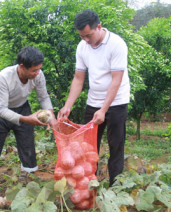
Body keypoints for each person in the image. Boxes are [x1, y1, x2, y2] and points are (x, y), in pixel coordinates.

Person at [58, 10, 130, 186]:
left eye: (88, 35)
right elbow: (78, 78)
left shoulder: (116, 44)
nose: (86, 40)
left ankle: (115, 186)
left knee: (116, 145)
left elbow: (116, 80)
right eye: (82, 36)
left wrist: (104, 110)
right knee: (88, 147)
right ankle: (89, 184)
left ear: (98, 27)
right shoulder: (82, 46)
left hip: (116, 102)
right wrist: (68, 105)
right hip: (93, 102)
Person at [0, 46, 57, 194]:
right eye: (34, 70)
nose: (37, 73)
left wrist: (51, 117)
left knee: (28, 144)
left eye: (39, 69)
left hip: (22, 107)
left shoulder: (38, 75)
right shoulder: (4, 77)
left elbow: (43, 97)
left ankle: (29, 180)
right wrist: (27, 119)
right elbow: (2, 110)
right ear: (22, 67)